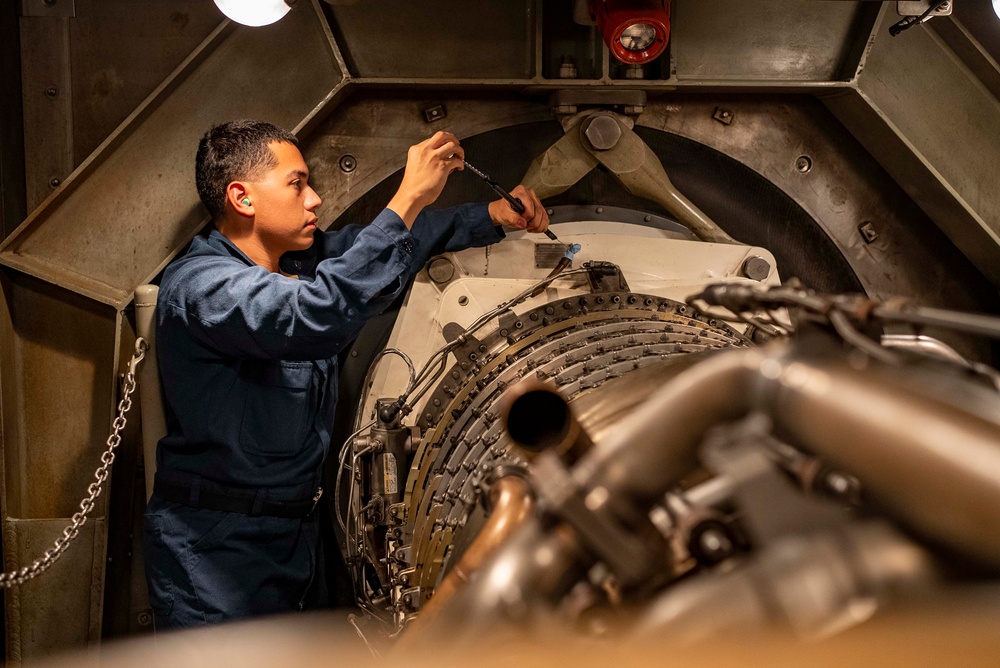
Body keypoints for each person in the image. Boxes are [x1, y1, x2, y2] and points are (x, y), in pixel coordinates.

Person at [143, 119, 548, 629]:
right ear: (242, 198)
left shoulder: (298, 262)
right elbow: (317, 312)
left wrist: (490, 215)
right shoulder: (205, 287)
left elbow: (394, 245)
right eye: (297, 184)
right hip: (219, 552)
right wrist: (407, 196)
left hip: (296, 540)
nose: (313, 199)